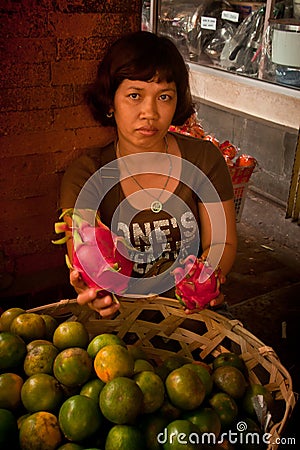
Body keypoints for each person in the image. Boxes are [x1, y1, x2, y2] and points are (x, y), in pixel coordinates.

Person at [59, 30, 237, 318]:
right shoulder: (86, 174)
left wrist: (204, 279)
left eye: (164, 96)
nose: (150, 112)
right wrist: (94, 290)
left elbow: (222, 242)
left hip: (195, 315)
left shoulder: (204, 159)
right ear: (110, 101)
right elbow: (85, 256)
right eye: (134, 95)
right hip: (119, 325)